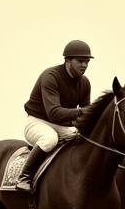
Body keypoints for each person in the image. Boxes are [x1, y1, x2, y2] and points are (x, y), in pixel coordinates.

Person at [15, 40, 93, 193]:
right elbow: (55, 113)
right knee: (50, 139)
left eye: (87, 62)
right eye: (80, 61)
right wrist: (84, 112)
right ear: (67, 61)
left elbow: (84, 118)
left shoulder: (85, 83)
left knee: (86, 141)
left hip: (62, 126)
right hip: (37, 122)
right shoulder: (50, 76)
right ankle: (25, 177)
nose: (84, 65)